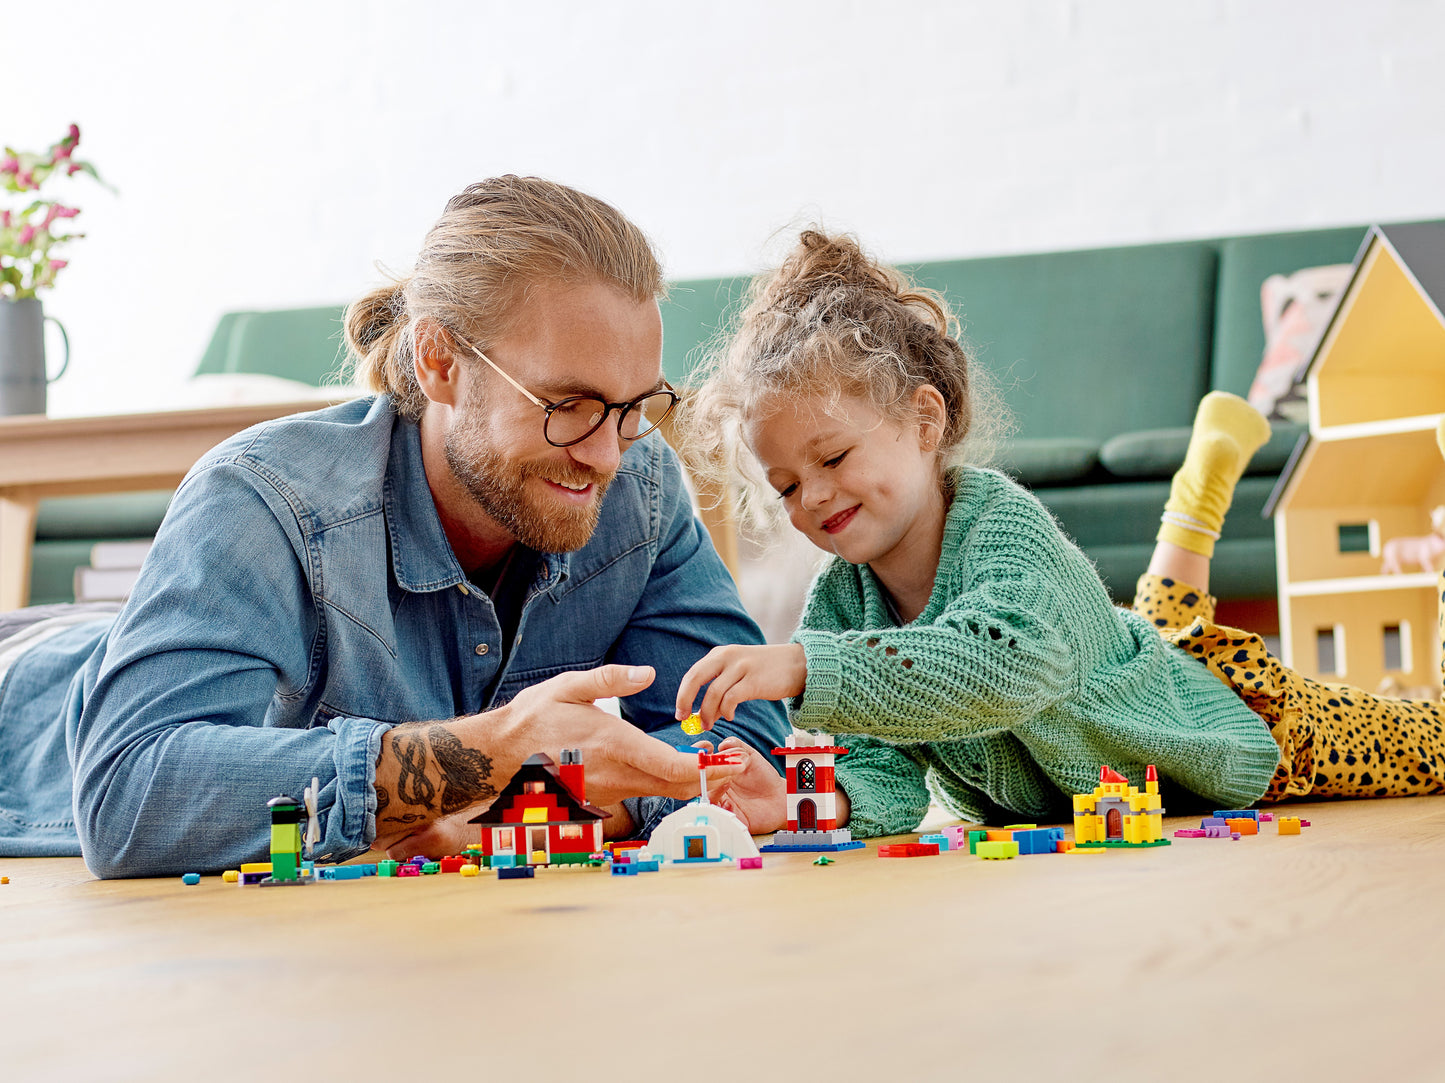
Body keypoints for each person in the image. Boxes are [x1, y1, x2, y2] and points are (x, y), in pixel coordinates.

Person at [0, 176, 787, 874]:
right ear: (440, 360)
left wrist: (539, 807)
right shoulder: (264, 498)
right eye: (567, 405)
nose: (604, 452)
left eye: (629, 408)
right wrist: (488, 755)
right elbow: (131, 793)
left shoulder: (637, 494)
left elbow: (747, 754)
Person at [672, 228, 1445, 837]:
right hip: (1131, 693)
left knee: (1434, 740)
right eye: (784, 488)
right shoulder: (842, 604)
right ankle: (1195, 494)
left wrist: (808, 669)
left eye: (833, 456)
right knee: (1159, 629)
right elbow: (879, 766)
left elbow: (1008, 665)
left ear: (922, 419)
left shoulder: (999, 524)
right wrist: (808, 801)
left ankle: (1200, 498)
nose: (811, 498)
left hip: (1243, 728)